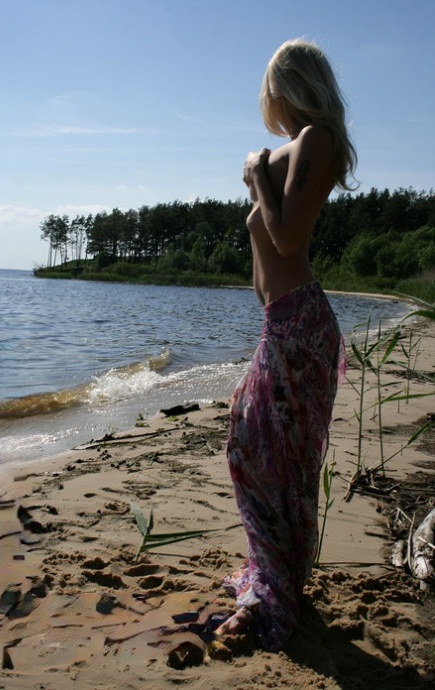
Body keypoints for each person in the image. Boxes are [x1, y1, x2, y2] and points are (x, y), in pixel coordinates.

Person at [215, 38, 356, 651]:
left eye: (267, 88)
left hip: (297, 322)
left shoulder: (315, 139)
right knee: (273, 451)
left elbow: (288, 237)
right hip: (287, 321)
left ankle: (275, 588)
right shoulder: (304, 145)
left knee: (252, 441)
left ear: (284, 86)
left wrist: (254, 175)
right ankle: (280, 577)